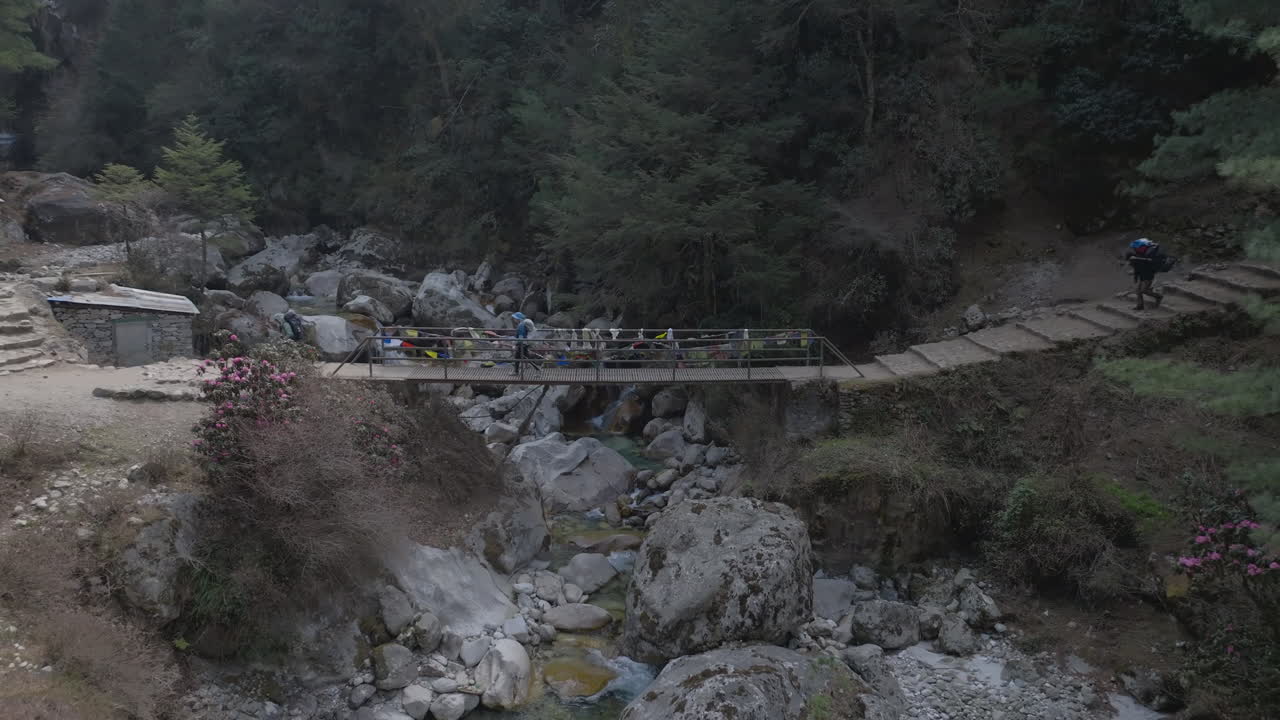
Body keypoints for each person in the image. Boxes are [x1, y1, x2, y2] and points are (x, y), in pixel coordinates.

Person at [1124, 238, 1165, 310]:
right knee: (1138, 291)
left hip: (1148, 277)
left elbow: (1141, 268)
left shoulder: (1139, 259)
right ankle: (1140, 306)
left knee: (1144, 291)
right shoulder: (1139, 258)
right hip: (1143, 277)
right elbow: (1139, 269)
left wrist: (1133, 273)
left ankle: (1158, 296)